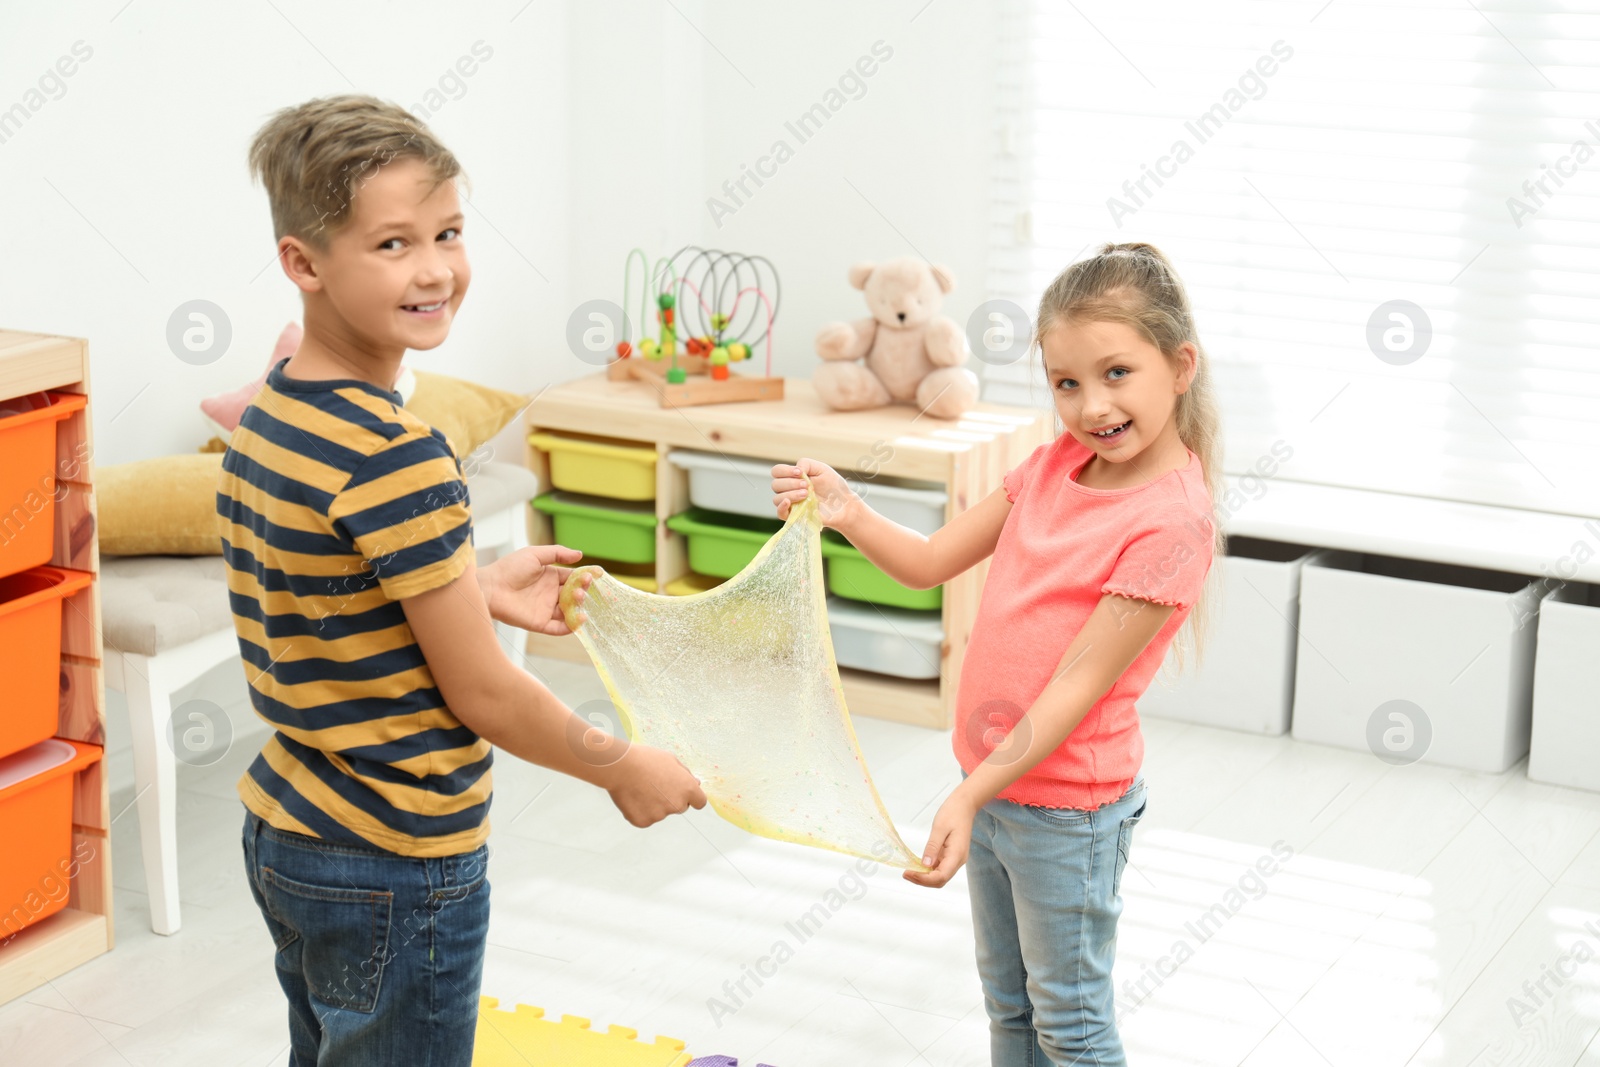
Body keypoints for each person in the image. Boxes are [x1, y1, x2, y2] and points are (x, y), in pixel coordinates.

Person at [220, 93, 705, 1066]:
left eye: (446, 232)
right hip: (396, 857)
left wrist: (467, 583)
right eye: (393, 243)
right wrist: (620, 764)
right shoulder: (396, 451)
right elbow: (483, 690)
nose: (436, 267)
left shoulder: (270, 415)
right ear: (303, 263)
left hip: (288, 832)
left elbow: (316, 585)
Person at [771, 242, 1223, 1065]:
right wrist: (847, 508)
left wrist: (970, 793)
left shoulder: (1173, 521)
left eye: (1117, 372)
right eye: (1067, 383)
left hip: (1066, 811)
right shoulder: (1053, 466)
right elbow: (928, 561)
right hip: (997, 788)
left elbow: (1077, 683)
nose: (1092, 405)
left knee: (1071, 1023)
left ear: (1179, 364)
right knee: (1010, 1010)